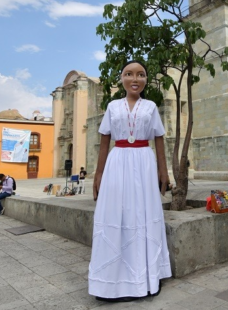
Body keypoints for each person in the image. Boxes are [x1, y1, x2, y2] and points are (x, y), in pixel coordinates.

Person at [89, 60, 171, 302]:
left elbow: (159, 139)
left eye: (141, 75)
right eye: (129, 74)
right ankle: (110, 283)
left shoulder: (151, 106)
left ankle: (147, 277)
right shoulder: (112, 106)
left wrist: (164, 171)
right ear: (121, 79)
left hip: (144, 163)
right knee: (116, 215)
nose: (135, 79)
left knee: (144, 215)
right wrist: (98, 172)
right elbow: (105, 139)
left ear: (146, 80)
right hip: (117, 162)